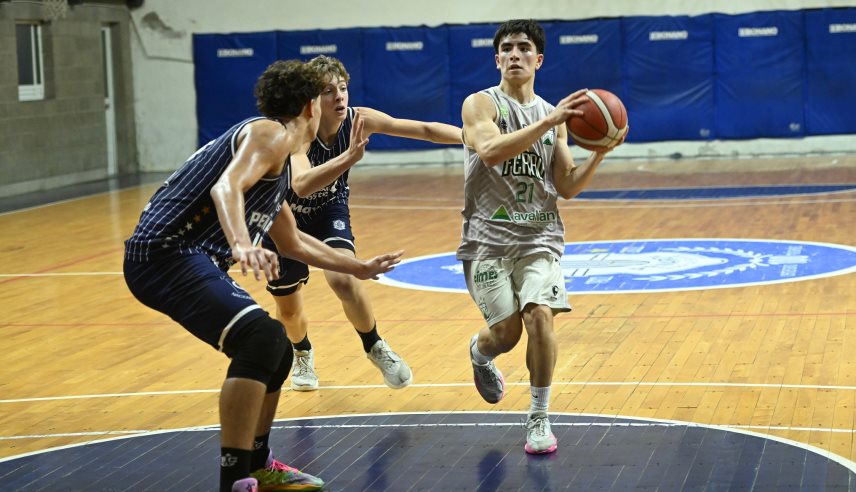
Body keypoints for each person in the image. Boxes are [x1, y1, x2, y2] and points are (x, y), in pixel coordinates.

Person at [123, 59, 403, 492]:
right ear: (311, 106)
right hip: (165, 252)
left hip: (181, 257)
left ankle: (257, 463)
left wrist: (360, 267)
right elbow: (225, 188)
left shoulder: (280, 162)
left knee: (277, 349)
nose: (335, 102)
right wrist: (241, 243)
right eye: (326, 95)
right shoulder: (270, 133)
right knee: (260, 339)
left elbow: (293, 243)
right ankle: (235, 478)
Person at [457, 19, 626, 454]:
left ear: (539, 59)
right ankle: (480, 352)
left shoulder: (556, 119)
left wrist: (599, 155)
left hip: (538, 237)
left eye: (524, 48)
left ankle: (539, 417)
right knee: (507, 335)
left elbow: (566, 185)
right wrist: (548, 121)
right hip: (487, 241)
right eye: (507, 49)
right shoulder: (481, 105)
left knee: (540, 316)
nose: (515, 54)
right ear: (496, 59)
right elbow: (492, 152)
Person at [262, 55, 461, 391]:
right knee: (290, 310)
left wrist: (474, 138)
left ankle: (374, 345)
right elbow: (301, 184)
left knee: (345, 277)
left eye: (342, 88)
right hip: (284, 218)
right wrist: (349, 158)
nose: (339, 96)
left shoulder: (360, 120)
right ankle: (302, 352)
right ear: (312, 101)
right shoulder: (298, 132)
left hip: (328, 211)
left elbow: (424, 130)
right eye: (328, 91)